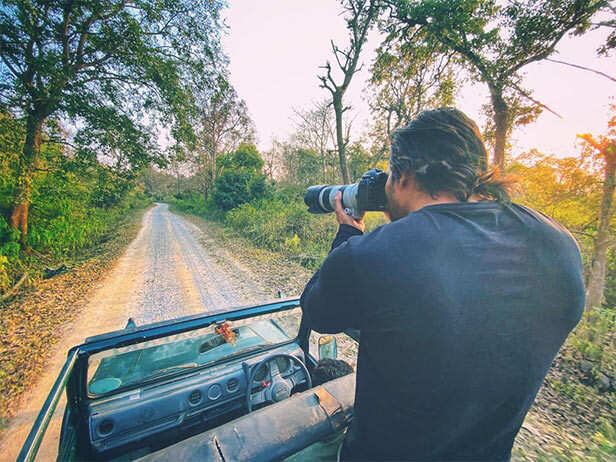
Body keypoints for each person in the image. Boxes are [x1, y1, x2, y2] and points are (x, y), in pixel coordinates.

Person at [300, 108, 585, 461]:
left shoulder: (370, 256)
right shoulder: (558, 246)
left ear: (403, 175)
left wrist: (348, 234)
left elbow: (320, 312)